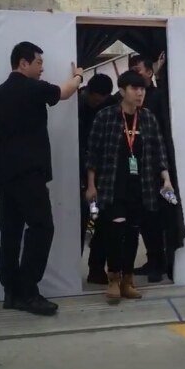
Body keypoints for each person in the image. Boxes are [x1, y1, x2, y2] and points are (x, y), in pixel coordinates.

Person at [0, 42, 84, 316]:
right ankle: (29, 292)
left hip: (3, 174)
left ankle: (11, 293)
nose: (42, 68)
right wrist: (79, 76)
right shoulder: (32, 88)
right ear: (23, 63)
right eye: (39, 62)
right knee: (42, 227)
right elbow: (65, 92)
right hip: (28, 173)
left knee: (11, 233)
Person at [86, 70, 174, 303]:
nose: (140, 93)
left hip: (141, 186)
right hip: (113, 185)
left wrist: (166, 179)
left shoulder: (148, 118)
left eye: (142, 89)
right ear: (122, 91)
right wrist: (91, 185)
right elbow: (93, 154)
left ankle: (127, 279)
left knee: (133, 233)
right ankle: (113, 278)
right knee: (115, 231)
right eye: (135, 89)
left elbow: (159, 151)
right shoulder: (106, 116)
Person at [129, 54, 168, 282]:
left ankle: (159, 263)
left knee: (154, 216)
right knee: (142, 217)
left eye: (138, 70)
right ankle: (152, 260)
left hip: (153, 166)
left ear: (149, 73)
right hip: (135, 165)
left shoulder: (157, 97)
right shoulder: (127, 101)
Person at [78, 73, 114, 283]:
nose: (98, 103)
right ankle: (72, 269)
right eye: (96, 100)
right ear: (89, 92)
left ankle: (96, 268)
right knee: (81, 222)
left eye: (102, 100)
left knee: (101, 222)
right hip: (77, 169)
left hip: (101, 171)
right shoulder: (75, 105)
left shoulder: (108, 106)